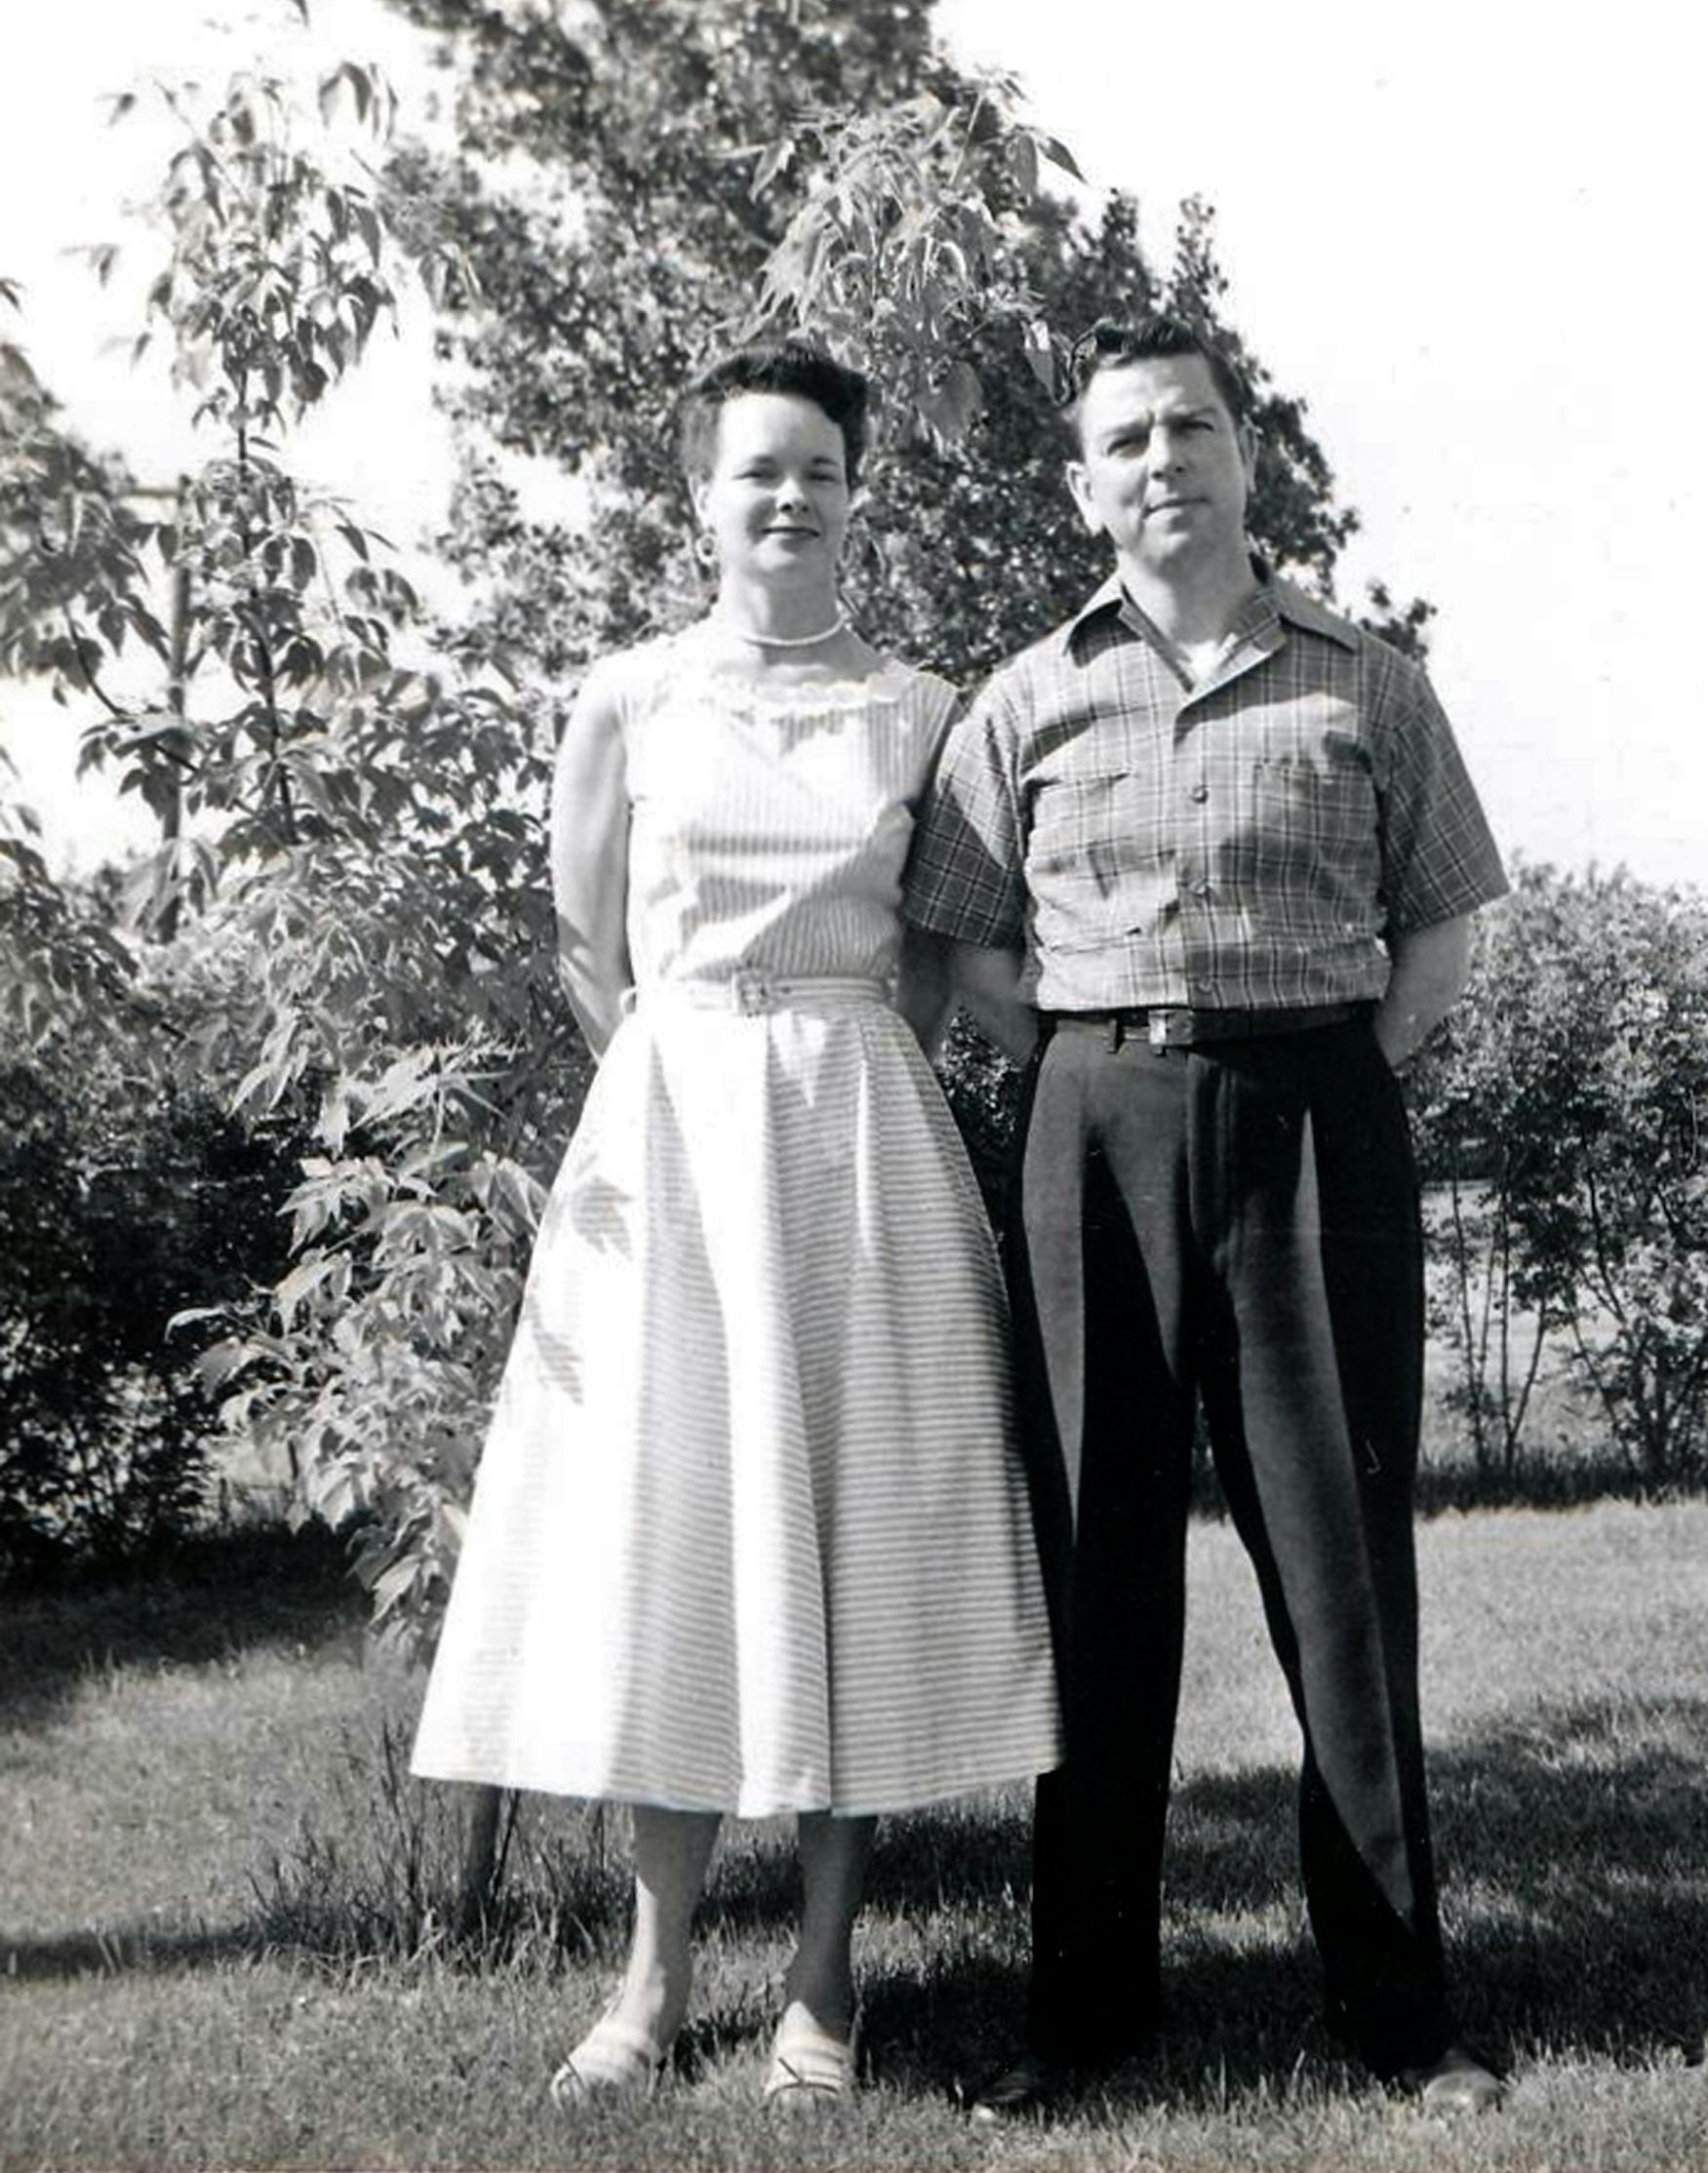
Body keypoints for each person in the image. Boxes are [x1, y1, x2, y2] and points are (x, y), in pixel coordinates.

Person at [411, 340, 1061, 2112]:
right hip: (671, 1145)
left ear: (861, 494)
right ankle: (651, 1979)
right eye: (755, 470)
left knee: (850, 1545)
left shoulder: (924, 711)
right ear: (700, 494)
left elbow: (935, 951)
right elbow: (583, 941)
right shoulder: (628, 695)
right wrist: (683, 1088)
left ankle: (827, 1989)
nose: (790, 498)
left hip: (856, 1148)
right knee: (674, 1548)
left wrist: (827, 1076)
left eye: (822, 471)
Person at [899, 315, 1510, 2119]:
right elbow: (975, 953)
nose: (1164, 461)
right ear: (1086, 486)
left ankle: (1400, 2017)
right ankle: (1084, 2018)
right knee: (1097, 1580)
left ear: (1248, 458)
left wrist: (1309, 1071)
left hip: (1318, 1120)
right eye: (1126, 442)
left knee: (1343, 1585)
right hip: (1094, 1125)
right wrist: (1114, 1071)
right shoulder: (1022, 699)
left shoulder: (1368, 681)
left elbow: (1445, 930)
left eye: (1192, 428)